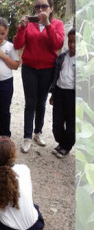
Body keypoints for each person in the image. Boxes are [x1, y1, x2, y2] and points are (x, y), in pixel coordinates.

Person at [14, 0, 64, 153]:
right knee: (30, 103)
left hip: (47, 69)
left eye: (44, 6)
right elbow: (17, 45)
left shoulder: (57, 24)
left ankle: (38, 132)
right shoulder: (28, 24)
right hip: (29, 68)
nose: (40, 9)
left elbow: (58, 45)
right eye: (37, 6)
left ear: (51, 8)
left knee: (41, 103)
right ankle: (27, 136)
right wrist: (22, 28)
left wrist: (48, 24)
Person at [49, 28, 75, 158]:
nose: (72, 45)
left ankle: (66, 146)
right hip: (59, 93)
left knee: (71, 125)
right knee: (57, 124)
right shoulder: (62, 57)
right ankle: (61, 142)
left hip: (73, 96)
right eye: (70, 41)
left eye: (75, 42)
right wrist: (53, 93)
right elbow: (56, 77)